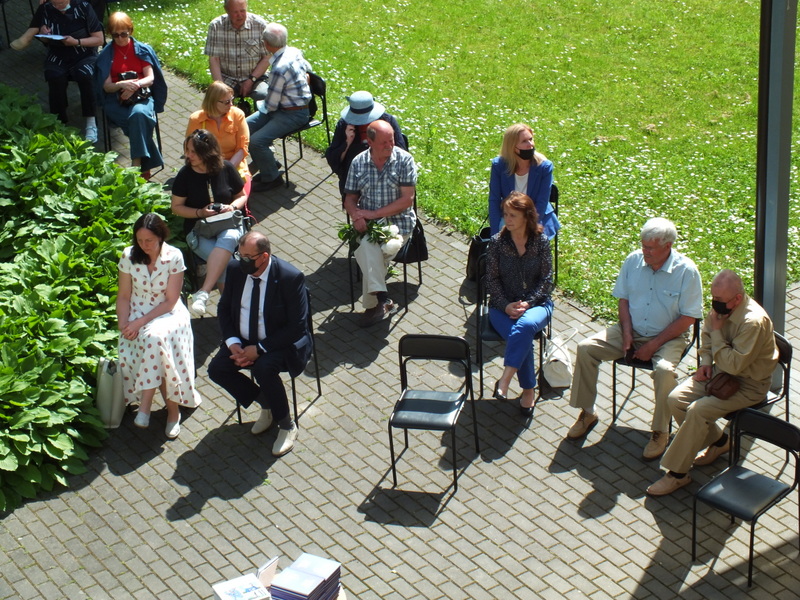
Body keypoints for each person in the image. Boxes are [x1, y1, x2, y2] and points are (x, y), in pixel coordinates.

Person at [566, 218, 704, 460]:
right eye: (643, 245)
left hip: (668, 337)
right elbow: (624, 300)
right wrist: (627, 332)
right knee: (586, 348)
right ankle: (587, 412)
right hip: (631, 328)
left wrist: (653, 345)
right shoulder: (633, 261)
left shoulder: (687, 271)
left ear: (668, 246)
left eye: (650, 248)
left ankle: (660, 431)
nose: (644, 251)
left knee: (664, 371)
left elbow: (688, 318)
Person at [646, 269, 779, 496]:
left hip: (749, 384)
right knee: (676, 399)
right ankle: (720, 442)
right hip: (720, 372)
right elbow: (707, 337)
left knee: (698, 411)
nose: (714, 304)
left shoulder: (753, 322)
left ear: (737, 298)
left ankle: (677, 474)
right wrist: (706, 362)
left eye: (719, 299)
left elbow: (734, 365)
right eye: (713, 297)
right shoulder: (723, 307)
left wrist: (717, 333)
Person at [207, 231, 311, 457]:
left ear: (264, 256)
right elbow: (224, 308)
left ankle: (287, 425)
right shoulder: (235, 270)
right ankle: (268, 404)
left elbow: (297, 327)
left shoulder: (290, 277)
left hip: (279, 343)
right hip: (242, 340)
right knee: (217, 369)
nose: (241, 261)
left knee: (264, 368)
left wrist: (260, 349)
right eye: (240, 255)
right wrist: (232, 341)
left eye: (247, 257)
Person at [116, 213, 201, 439]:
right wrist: (123, 323)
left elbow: (171, 301)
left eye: (149, 241)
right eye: (140, 240)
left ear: (161, 237)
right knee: (158, 349)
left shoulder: (174, 256)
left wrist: (139, 323)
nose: (144, 245)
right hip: (137, 311)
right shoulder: (128, 255)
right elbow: (123, 296)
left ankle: (145, 406)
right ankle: (172, 413)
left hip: (169, 314)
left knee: (155, 338)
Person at [343, 119, 417, 327]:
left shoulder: (404, 160)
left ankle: (377, 302)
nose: (390, 145)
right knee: (370, 249)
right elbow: (350, 198)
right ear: (370, 142)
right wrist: (357, 216)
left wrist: (374, 213)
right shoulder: (358, 162)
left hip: (399, 224)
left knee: (366, 249)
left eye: (391, 140)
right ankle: (382, 300)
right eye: (384, 142)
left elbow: (407, 200)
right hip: (369, 225)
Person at [486, 192, 554, 416]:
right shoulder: (497, 243)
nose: (507, 219)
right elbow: (491, 280)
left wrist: (528, 303)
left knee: (524, 327)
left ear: (527, 216)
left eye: (513, 215)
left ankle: (505, 381)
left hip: (538, 305)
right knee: (522, 337)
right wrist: (506, 305)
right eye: (505, 214)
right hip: (502, 308)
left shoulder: (541, 242)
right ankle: (528, 390)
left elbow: (547, 280)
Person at [171, 129, 247, 315]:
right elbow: (176, 207)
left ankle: (205, 293)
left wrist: (232, 207)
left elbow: (242, 196)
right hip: (198, 230)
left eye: (193, 152)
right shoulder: (185, 175)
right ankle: (234, 311)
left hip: (227, 224)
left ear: (207, 152)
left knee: (228, 241)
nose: (188, 155)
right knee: (226, 262)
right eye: (187, 150)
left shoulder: (226, 168)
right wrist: (200, 212)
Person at [11, 0, 104, 141]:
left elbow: (99, 39)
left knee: (85, 75)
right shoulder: (46, 8)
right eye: (55, 3)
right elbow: (44, 40)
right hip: (58, 54)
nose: (58, 6)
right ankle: (59, 122)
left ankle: (91, 122)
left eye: (61, 3)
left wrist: (76, 42)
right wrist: (44, 35)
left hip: (84, 54)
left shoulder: (83, 7)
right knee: (54, 75)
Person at [94, 11, 167, 180]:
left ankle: (136, 164)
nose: (120, 39)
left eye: (124, 34)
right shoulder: (106, 55)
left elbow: (150, 78)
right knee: (138, 122)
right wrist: (121, 85)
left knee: (138, 114)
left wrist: (135, 85)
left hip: (141, 96)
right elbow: (106, 87)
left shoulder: (142, 50)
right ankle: (144, 168)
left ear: (131, 31)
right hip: (116, 100)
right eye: (115, 35)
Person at [246, 23, 312, 191]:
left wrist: (260, 105)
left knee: (256, 141)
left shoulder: (279, 69)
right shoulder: (294, 52)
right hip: (286, 108)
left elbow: (271, 104)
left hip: (293, 114)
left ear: (266, 44)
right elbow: (308, 69)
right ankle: (268, 162)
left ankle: (272, 178)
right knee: (243, 127)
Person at [324, 91, 407, 199]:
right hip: (355, 182)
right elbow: (334, 161)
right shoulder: (344, 125)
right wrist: (347, 142)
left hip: (386, 180)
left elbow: (401, 155)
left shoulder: (387, 121)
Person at [489, 123, 560, 239]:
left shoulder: (544, 167)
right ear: (512, 146)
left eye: (531, 139)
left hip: (536, 217)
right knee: (504, 240)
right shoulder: (499, 165)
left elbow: (542, 203)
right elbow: (494, 199)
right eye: (524, 141)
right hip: (509, 216)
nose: (530, 145)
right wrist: (495, 235)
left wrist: (527, 228)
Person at [187, 81, 251, 196]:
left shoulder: (238, 115)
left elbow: (242, 148)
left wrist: (226, 170)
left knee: (241, 197)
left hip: (234, 165)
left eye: (232, 100)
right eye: (227, 102)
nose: (231, 105)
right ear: (213, 102)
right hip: (204, 166)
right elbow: (191, 151)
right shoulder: (196, 120)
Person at [204, 0, 270, 102]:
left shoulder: (260, 25)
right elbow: (214, 59)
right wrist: (221, 87)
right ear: (226, 10)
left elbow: (267, 58)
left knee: (264, 95)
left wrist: (251, 80)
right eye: (235, 12)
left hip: (255, 77)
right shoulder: (216, 26)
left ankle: (259, 113)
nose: (239, 16)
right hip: (228, 78)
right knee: (216, 100)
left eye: (242, 11)